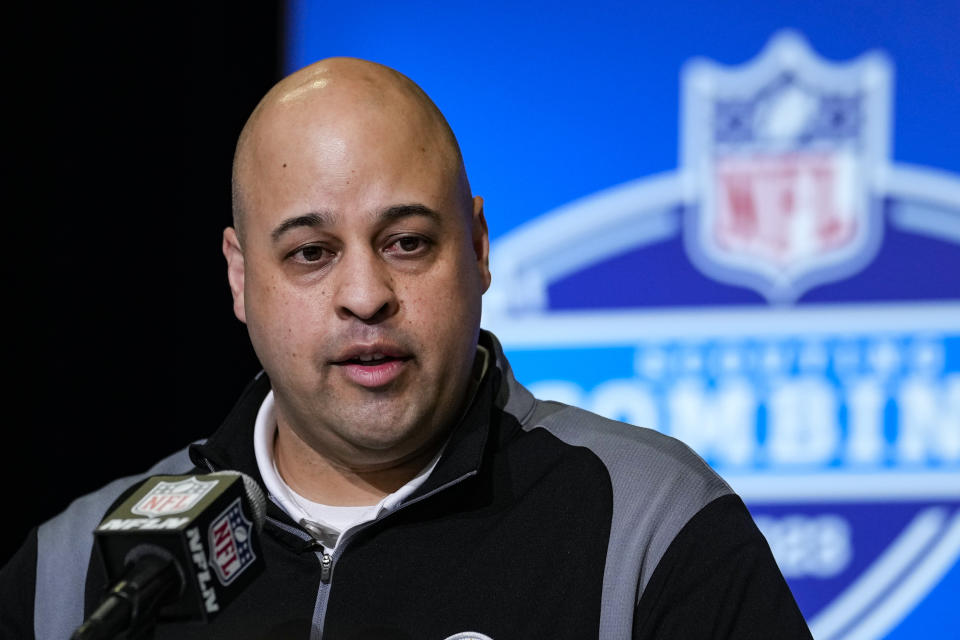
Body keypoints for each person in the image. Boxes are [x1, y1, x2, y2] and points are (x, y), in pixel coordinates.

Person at [0, 58, 813, 639]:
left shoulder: (652, 525)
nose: (365, 294)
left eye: (408, 242)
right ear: (241, 277)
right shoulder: (73, 570)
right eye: (311, 253)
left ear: (479, 247)